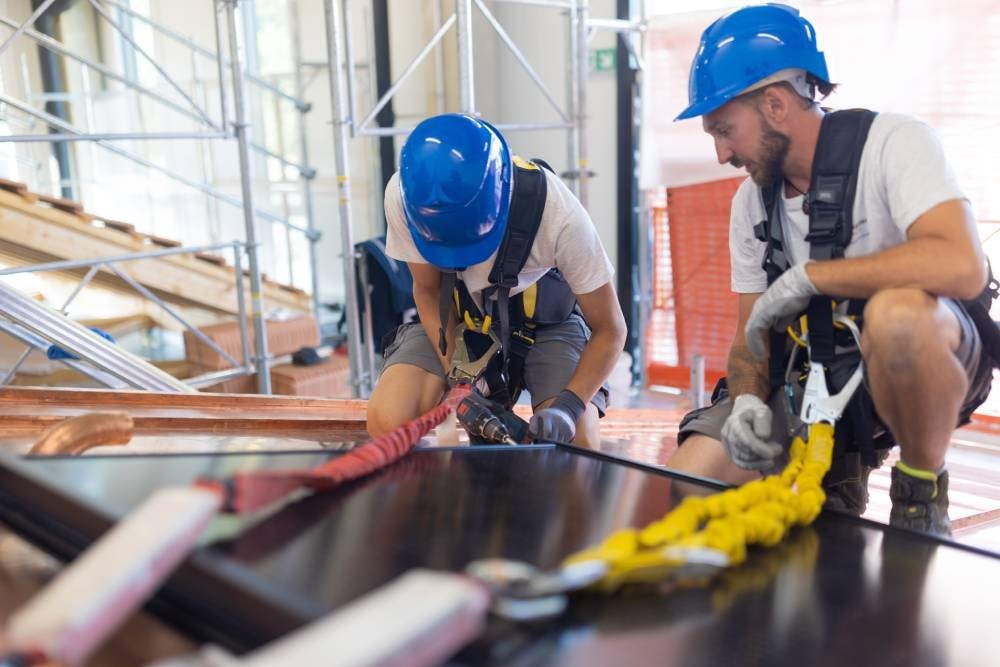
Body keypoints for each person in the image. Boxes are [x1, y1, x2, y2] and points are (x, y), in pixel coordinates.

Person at [666, 3, 992, 536]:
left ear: (774, 104)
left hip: (924, 355)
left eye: (725, 130)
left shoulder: (893, 144)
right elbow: (752, 335)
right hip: (820, 376)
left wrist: (811, 278)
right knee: (693, 479)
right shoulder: (751, 203)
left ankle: (920, 492)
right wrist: (748, 399)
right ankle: (840, 467)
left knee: (897, 317)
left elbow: (962, 265)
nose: (722, 153)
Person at [366, 113, 626, 447]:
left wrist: (568, 407)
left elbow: (612, 329)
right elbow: (428, 290)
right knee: (387, 421)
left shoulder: (559, 215)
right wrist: (461, 381)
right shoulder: (408, 199)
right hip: (459, 318)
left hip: (545, 325)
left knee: (577, 444)